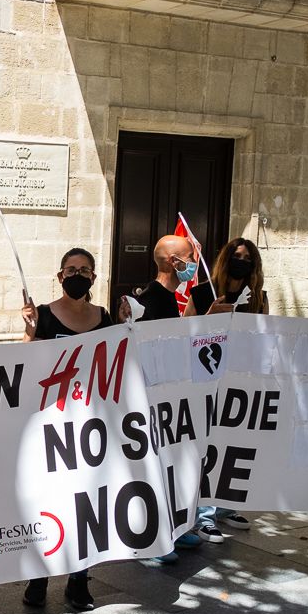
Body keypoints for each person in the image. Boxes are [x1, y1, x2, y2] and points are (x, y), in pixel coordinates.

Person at [19, 248, 110, 611]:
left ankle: (78, 579)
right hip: (50, 424)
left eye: (84, 270)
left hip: (90, 426)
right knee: (48, 502)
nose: (77, 275)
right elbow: (25, 364)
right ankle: (39, 577)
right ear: (60, 277)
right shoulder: (41, 314)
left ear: (93, 278)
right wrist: (29, 334)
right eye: (71, 270)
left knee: (86, 503)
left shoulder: (105, 317)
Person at [118, 234, 202, 562]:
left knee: (172, 463)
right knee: (153, 466)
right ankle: (153, 538)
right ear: (173, 262)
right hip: (150, 398)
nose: (193, 263)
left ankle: (174, 526)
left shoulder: (169, 298)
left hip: (169, 394)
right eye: (189, 257)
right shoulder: (149, 300)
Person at [181, 238, 266, 541]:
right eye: (236, 256)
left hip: (240, 379)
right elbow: (184, 332)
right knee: (210, 445)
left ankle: (227, 506)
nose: (241, 262)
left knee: (235, 441)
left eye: (248, 258)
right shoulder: (203, 292)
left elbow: (263, 335)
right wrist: (210, 317)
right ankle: (204, 514)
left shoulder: (257, 298)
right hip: (207, 378)